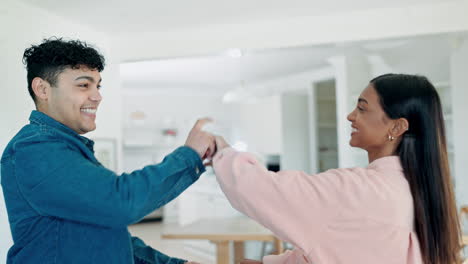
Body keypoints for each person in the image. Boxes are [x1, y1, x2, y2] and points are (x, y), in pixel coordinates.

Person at [0, 38, 215, 264]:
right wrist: (189, 155)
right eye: (84, 85)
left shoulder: (67, 149)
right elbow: (121, 202)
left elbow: (108, 235)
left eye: (98, 85)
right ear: (42, 89)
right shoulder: (35, 149)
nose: (97, 96)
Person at [212, 74, 461, 264]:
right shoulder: (412, 189)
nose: (351, 116)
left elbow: (260, 189)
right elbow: (349, 251)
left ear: (397, 128)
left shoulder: (359, 189)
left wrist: (221, 151)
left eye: (362, 108)